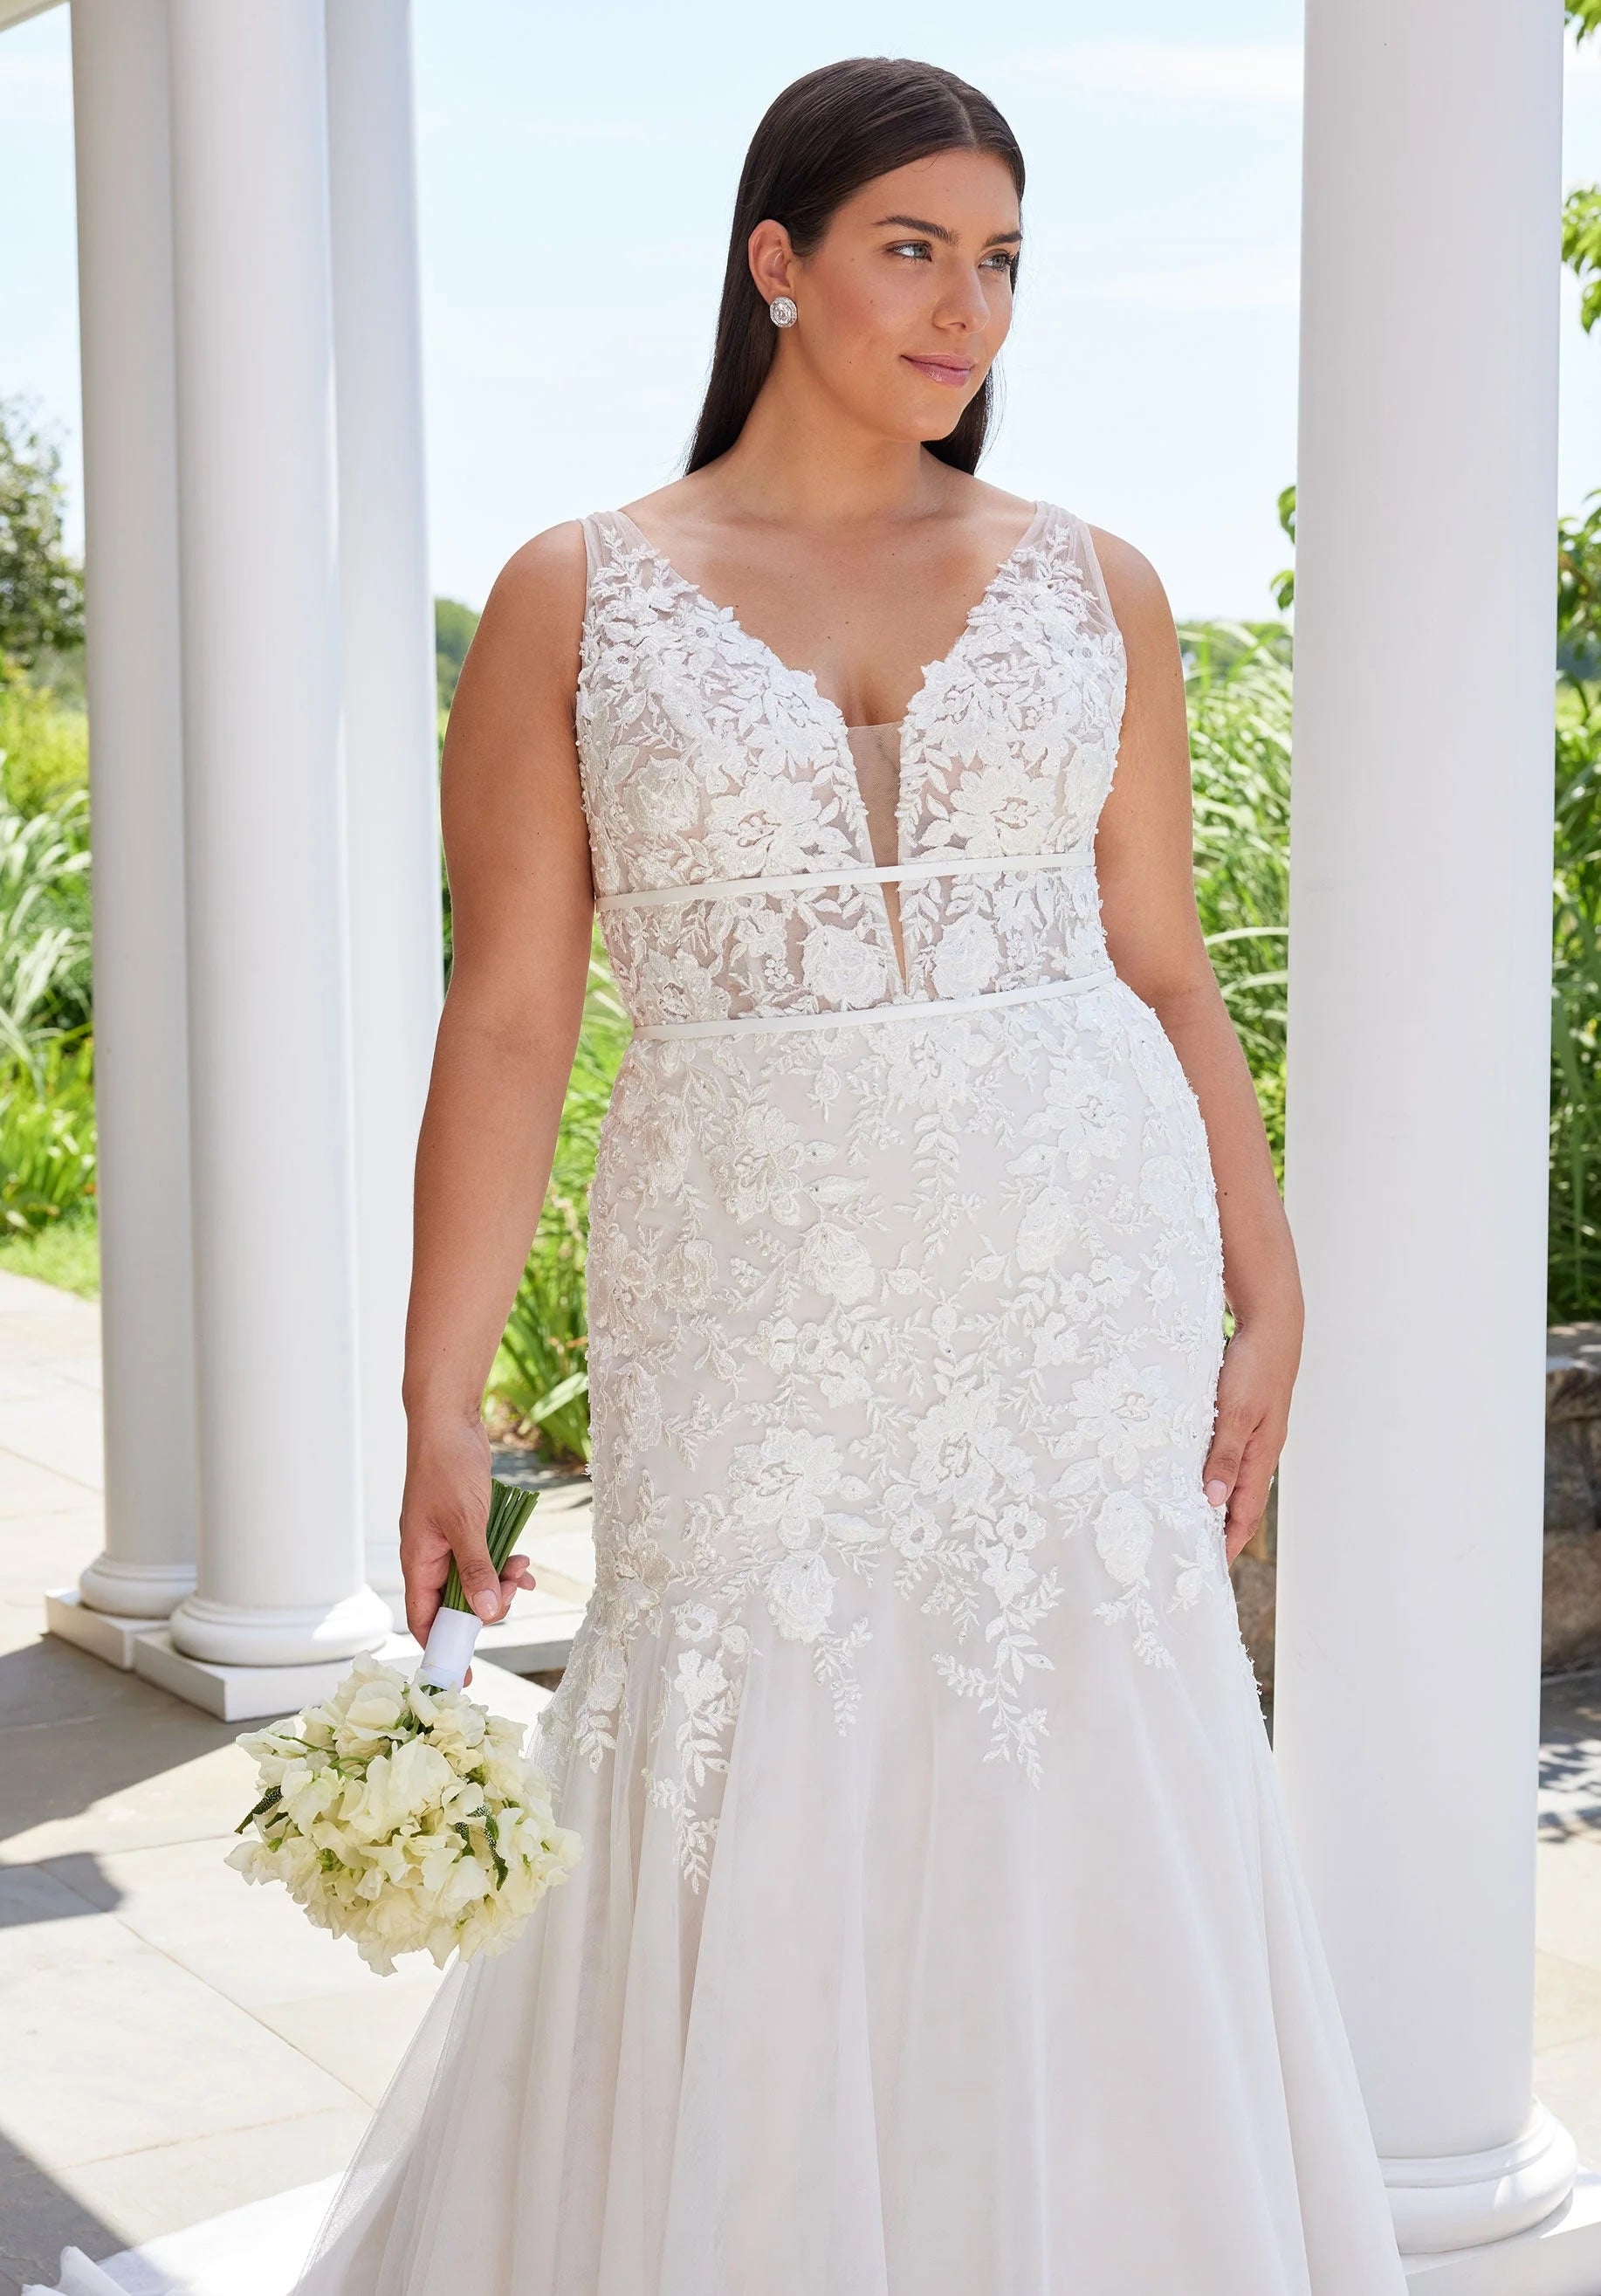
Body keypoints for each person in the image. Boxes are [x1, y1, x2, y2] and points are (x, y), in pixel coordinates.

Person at [297, 54, 1409, 2296]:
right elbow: (508, 1016)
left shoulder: (1096, 581)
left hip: (1072, 1281)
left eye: (1000, 263)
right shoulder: (575, 594)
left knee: (1084, 1718)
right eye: (913, 248)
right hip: (749, 1290)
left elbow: (1162, 966)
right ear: (775, 258)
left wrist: (1263, 1266)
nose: (964, 307)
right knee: (745, 1727)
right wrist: (435, 1396)